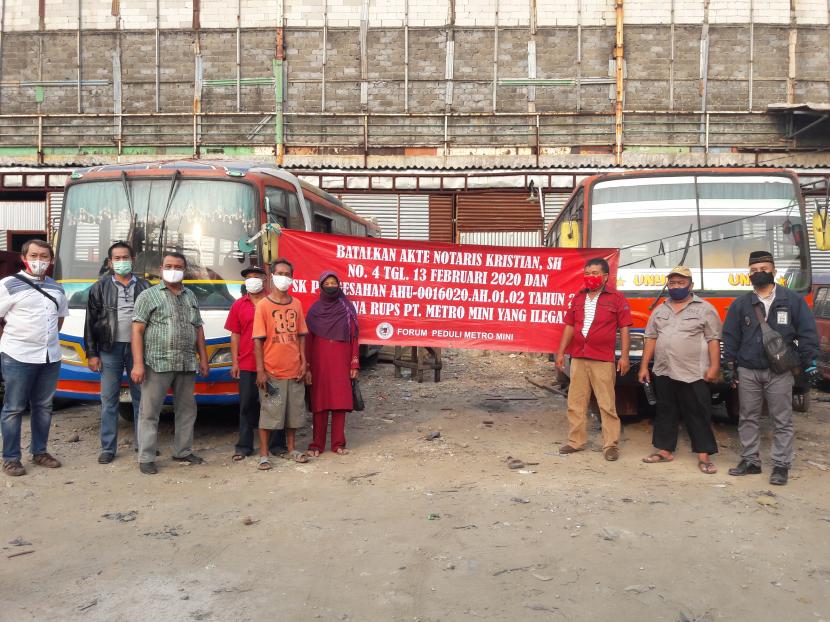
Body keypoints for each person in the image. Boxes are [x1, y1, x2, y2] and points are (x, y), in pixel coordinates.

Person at [722, 250, 819, 486]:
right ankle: (750, 461)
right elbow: (731, 336)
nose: (759, 273)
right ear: (749, 274)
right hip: (748, 370)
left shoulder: (791, 300)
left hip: (780, 371)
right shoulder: (741, 304)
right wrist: (730, 366)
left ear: (774, 270)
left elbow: (807, 333)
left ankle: (781, 465)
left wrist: (811, 363)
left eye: (764, 269)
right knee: (748, 418)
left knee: (781, 419)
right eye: (754, 270)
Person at [131, 252, 209, 475]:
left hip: (185, 362)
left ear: (185, 270)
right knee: (149, 412)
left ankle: (183, 450)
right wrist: (138, 364)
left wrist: (203, 358)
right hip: (157, 363)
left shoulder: (190, 296)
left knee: (186, 410)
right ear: (161, 268)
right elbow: (136, 331)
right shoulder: (148, 296)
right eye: (169, 265)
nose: (173, 269)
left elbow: (198, 328)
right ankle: (146, 456)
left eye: (178, 266)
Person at [638, 266, 722, 474]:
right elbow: (650, 338)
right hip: (663, 370)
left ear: (690, 286)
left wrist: (715, 366)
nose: (676, 287)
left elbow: (713, 340)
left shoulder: (705, 309)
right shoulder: (660, 310)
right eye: (672, 283)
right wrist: (643, 366)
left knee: (698, 412)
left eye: (681, 283)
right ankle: (665, 450)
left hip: (693, 372)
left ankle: (704, 456)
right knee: (665, 411)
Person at [0, 239, 69, 476]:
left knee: (43, 406)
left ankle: (39, 451)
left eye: (44, 256)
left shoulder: (57, 288)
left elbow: (60, 318)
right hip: (18, 356)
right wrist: (7, 341)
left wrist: (47, 340)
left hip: (50, 357)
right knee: (14, 408)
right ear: (24, 257)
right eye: (34, 255)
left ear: (50, 261)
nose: (39, 260)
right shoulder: (8, 285)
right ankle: (11, 458)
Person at [555, 257, 631, 461]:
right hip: (578, 357)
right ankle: (576, 441)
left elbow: (624, 329)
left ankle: (610, 445)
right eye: (587, 273)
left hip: (602, 359)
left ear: (605, 276)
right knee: (576, 401)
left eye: (595, 273)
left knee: (606, 403)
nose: (590, 277)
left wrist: (624, 356)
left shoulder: (616, 298)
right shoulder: (578, 298)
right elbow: (569, 326)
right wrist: (561, 352)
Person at [84, 241, 151, 464]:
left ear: (133, 260)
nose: (122, 262)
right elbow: (90, 323)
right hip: (109, 349)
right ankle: (108, 448)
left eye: (126, 258)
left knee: (141, 398)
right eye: (117, 258)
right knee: (108, 399)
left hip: (138, 350)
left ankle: (144, 444)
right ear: (110, 262)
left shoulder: (145, 287)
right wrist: (91, 354)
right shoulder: (99, 287)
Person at [225, 266, 286, 461]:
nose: (252, 281)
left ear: (266, 280)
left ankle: (277, 445)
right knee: (246, 406)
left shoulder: (274, 302)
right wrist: (234, 361)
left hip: (273, 363)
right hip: (247, 364)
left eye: (256, 277)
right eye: (249, 278)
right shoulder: (238, 305)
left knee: (274, 404)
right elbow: (235, 334)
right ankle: (244, 446)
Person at [252, 258, 309, 469]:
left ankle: (292, 448)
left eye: (287, 274)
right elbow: (258, 339)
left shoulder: (297, 304)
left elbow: (301, 335)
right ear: (272, 277)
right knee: (269, 414)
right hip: (272, 370)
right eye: (280, 273)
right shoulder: (263, 306)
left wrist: (304, 362)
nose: (283, 277)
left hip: (294, 370)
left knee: (293, 414)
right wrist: (261, 370)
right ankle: (264, 454)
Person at [305, 272, 360, 457]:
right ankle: (316, 445)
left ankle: (338, 443)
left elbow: (354, 338)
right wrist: (308, 367)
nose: (330, 286)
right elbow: (308, 342)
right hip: (319, 362)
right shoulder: (313, 311)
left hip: (341, 362)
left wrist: (354, 364)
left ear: (339, 285)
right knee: (319, 403)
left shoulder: (347, 309)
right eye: (327, 283)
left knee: (339, 402)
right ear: (321, 286)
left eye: (333, 283)